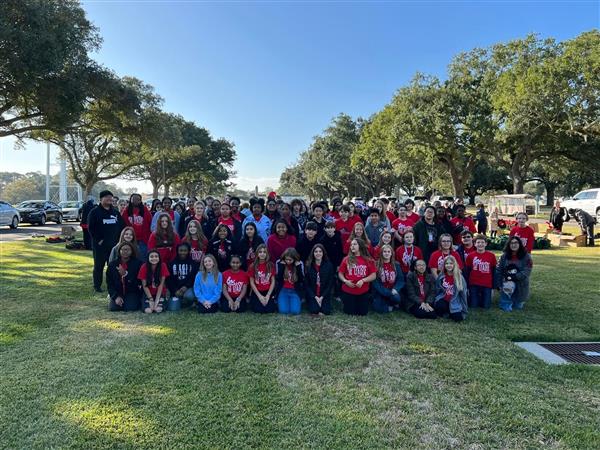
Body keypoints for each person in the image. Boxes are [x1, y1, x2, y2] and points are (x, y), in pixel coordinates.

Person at [88, 190, 125, 292]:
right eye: (107, 197)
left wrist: (121, 240)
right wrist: (99, 240)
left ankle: (113, 285)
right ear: (101, 199)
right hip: (100, 246)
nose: (109, 199)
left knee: (113, 266)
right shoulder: (94, 212)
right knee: (99, 266)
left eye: (111, 197)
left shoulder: (115, 212)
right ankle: (97, 286)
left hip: (114, 245)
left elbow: (122, 227)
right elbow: (91, 228)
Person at [338, 238, 377, 316]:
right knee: (349, 312)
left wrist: (363, 280)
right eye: (351, 244)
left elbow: (373, 275)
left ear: (361, 246)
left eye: (355, 244)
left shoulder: (369, 260)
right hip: (348, 290)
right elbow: (340, 273)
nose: (352, 246)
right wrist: (345, 281)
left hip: (362, 291)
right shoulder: (346, 259)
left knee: (362, 313)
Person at [495, 236, 533, 311]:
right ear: (508, 245)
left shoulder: (527, 256)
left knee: (518, 306)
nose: (514, 245)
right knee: (506, 307)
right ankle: (505, 301)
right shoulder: (504, 256)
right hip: (507, 282)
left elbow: (527, 271)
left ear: (520, 244)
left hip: (520, 283)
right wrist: (499, 284)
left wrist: (514, 277)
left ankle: (516, 300)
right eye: (511, 243)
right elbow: (498, 270)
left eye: (516, 243)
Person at [106, 242, 143, 312]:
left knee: (130, 308)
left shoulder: (138, 264)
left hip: (132, 292)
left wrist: (125, 275)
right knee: (113, 308)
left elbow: (138, 282)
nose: (125, 251)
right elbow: (110, 284)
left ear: (132, 251)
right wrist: (115, 296)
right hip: (117, 292)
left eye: (128, 250)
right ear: (119, 251)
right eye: (123, 249)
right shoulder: (112, 265)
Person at [465, 234, 497, 309]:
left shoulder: (491, 256)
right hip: (474, 283)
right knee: (473, 306)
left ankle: (482, 298)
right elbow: (467, 271)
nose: (480, 244)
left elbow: (493, 271)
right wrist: (467, 286)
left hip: (487, 284)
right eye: (478, 242)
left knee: (486, 306)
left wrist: (493, 286)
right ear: (475, 244)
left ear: (486, 244)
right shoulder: (470, 256)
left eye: (482, 242)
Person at [433, 256, 468, 322]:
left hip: (455, 300)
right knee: (440, 306)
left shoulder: (460, 277)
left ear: (454, 264)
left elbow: (463, 294)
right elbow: (437, 289)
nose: (449, 265)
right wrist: (436, 300)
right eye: (447, 263)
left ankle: (451, 311)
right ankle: (446, 311)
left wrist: (464, 309)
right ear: (444, 265)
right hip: (444, 299)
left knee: (458, 318)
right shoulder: (441, 276)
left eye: (451, 263)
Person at [372, 244, 404, 313]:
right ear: (381, 253)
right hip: (380, 291)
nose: (387, 253)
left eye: (388, 252)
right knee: (378, 308)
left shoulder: (396, 265)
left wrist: (395, 289)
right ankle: (388, 306)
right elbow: (375, 281)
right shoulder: (376, 264)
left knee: (396, 298)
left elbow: (401, 280)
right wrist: (386, 292)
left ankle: (391, 304)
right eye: (385, 251)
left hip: (393, 290)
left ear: (391, 253)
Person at [304, 244, 335, 315]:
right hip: (313, 294)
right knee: (314, 310)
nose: (318, 253)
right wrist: (315, 297)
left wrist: (321, 297)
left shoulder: (329, 265)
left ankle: (322, 302)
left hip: (324, 294)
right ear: (313, 253)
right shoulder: (308, 265)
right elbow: (306, 284)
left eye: (320, 251)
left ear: (323, 253)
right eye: (316, 251)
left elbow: (330, 284)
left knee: (326, 311)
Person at [167, 242, 198, 308]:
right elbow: (169, 279)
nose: (183, 253)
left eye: (185, 251)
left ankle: (190, 302)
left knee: (189, 296)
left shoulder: (193, 263)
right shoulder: (171, 263)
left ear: (188, 251)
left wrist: (186, 286)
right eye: (180, 250)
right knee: (173, 308)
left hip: (188, 288)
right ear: (177, 251)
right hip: (175, 289)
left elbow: (194, 278)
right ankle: (180, 301)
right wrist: (175, 290)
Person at [274, 248, 304, 315]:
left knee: (295, 312)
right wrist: (281, 267)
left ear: (294, 259)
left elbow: (301, 280)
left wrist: (298, 267)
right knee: (283, 311)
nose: (288, 261)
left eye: (290, 260)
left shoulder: (299, 264)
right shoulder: (279, 263)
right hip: (283, 290)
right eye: (286, 259)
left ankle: (295, 302)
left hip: (295, 291)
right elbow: (278, 279)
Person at [248, 244, 277, 313]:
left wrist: (268, 295)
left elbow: (273, 281)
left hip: (268, 290)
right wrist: (260, 296)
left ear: (267, 254)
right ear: (257, 254)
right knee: (258, 310)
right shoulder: (252, 266)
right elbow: (252, 282)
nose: (262, 254)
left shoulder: (270, 265)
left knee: (270, 310)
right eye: (260, 252)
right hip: (257, 291)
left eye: (264, 252)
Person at [121, 193, 152, 259]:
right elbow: (123, 224)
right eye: (133, 199)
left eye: (138, 199)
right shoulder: (126, 210)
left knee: (142, 258)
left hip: (143, 240)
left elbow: (150, 222)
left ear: (140, 201)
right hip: (130, 239)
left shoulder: (144, 210)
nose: (135, 200)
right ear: (130, 200)